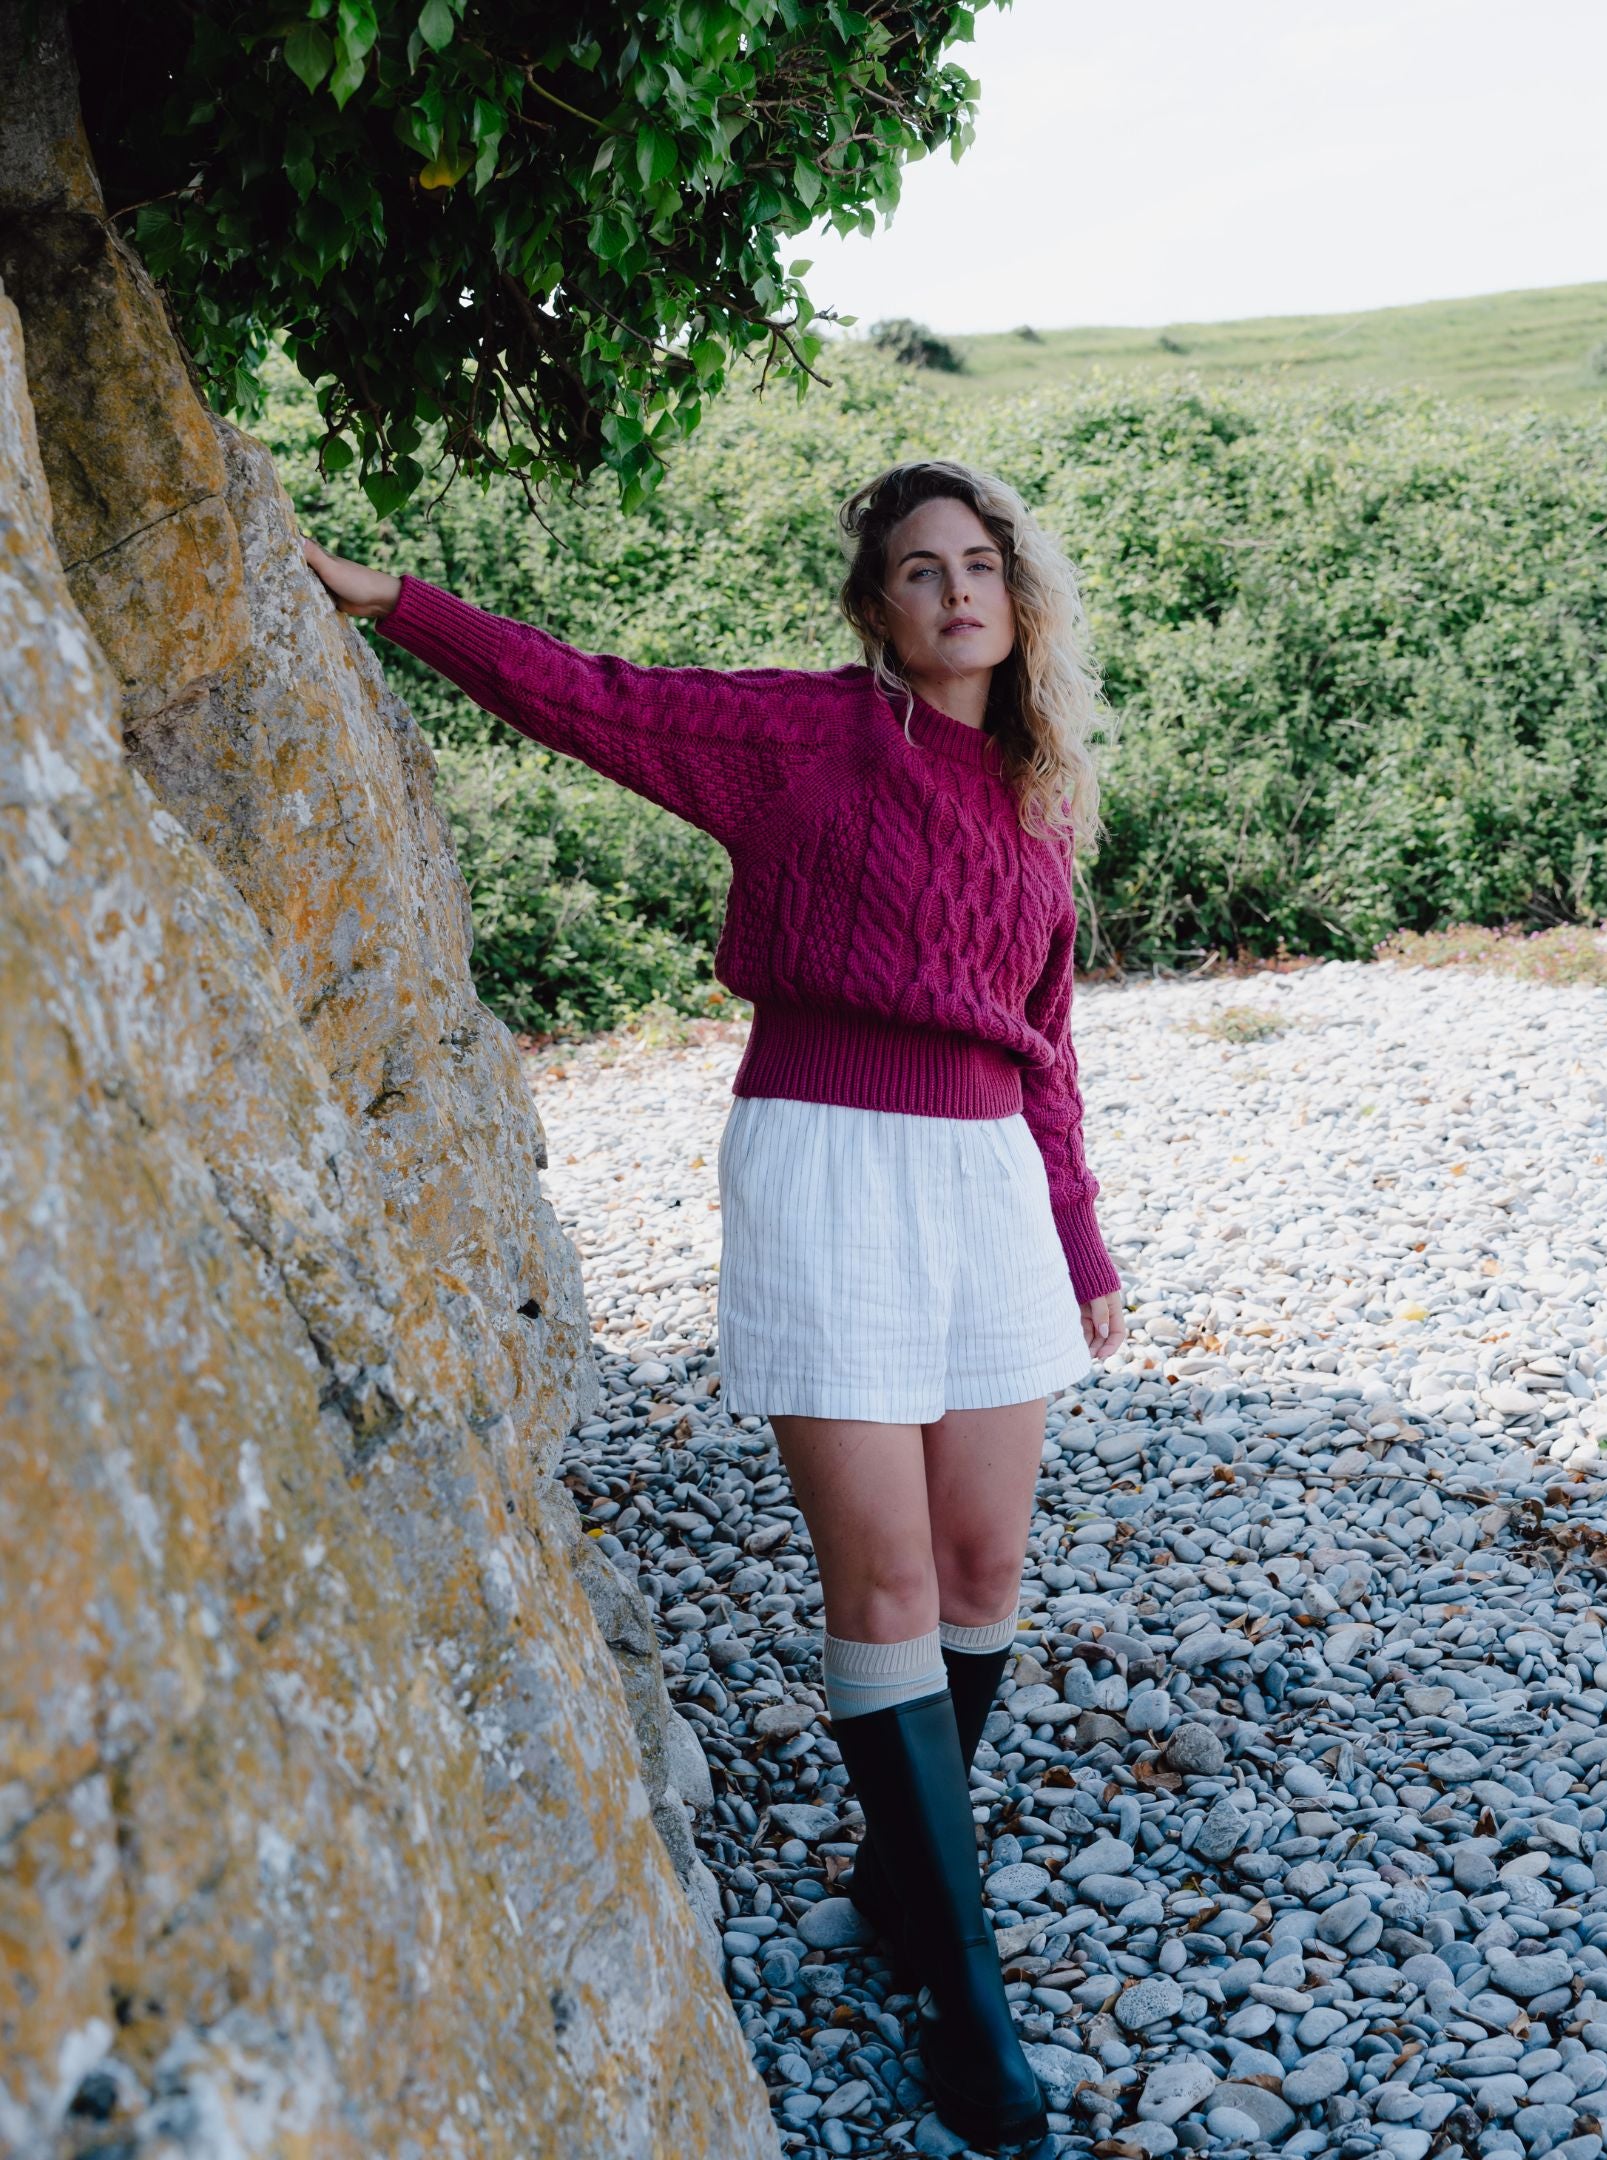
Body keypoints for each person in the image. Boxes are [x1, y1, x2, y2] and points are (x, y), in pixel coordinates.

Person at [303, 457, 1123, 2154]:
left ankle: (901, 1881)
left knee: (980, 1566)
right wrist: (404, 606)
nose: (957, 592)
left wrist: (1081, 1239)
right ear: (878, 612)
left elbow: (1046, 1046)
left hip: (988, 1193)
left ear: (1018, 596)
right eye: (919, 571)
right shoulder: (809, 739)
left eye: (981, 564)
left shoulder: (1043, 792)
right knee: (885, 1571)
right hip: (828, 1159)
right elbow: (602, 699)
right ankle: (966, 2004)